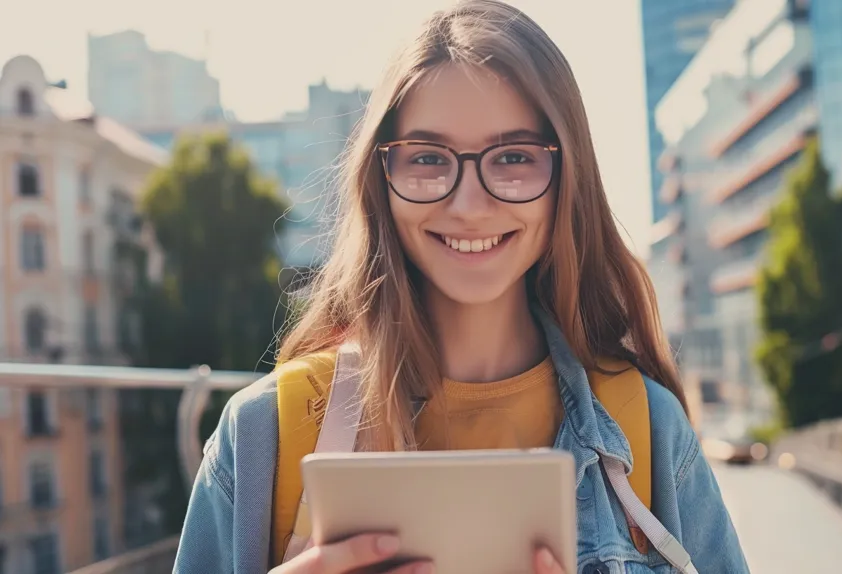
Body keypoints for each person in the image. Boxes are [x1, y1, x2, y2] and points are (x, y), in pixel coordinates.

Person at [173, 1, 749, 573]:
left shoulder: (647, 427)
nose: (469, 205)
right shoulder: (268, 432)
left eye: (514, 157)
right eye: (427, 158)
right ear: (382, 179)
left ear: (566, 180)